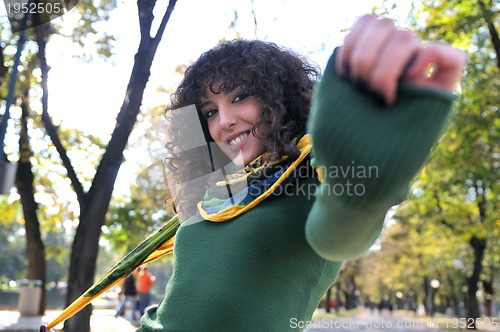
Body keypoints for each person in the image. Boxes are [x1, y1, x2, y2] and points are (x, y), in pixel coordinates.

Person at [137, 14, 465, 331]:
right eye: (210, 112)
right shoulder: (218, 193)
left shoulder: (313, 173)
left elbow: (338, 234)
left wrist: (364, 182)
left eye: (239, 96)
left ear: (278, 95)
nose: (223, 121)